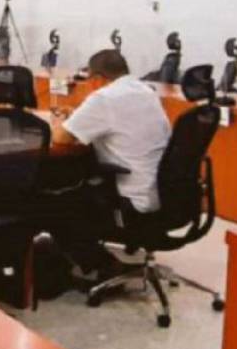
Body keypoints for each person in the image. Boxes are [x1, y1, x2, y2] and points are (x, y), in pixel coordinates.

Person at [49, 49, 172, 273]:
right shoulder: (145, 91)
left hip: (131, 198)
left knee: (57, 204)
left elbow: (60, 138)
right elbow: (119, 121)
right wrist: (78, 115)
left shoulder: (104, 98)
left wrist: (59, 122)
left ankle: (100, 266)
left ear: (97, 79)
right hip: (164, 192)